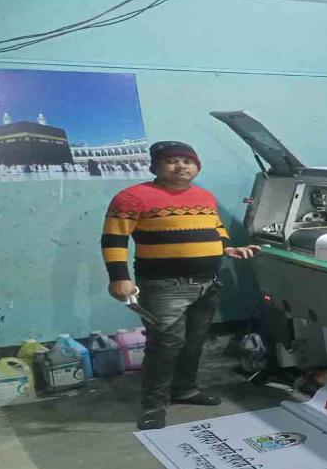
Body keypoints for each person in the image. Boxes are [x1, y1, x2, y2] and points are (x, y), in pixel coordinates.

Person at [100, 141, 260, 429]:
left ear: (197, 166)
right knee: (165, 345)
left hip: (208, 283)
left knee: (194, 341)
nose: (181, 166)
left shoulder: (205, 196)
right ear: (156, 167)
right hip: (164, 285)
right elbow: (114, 238)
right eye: (171, 161)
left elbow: (216, 227)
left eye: (187, 161)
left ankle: (185, 390)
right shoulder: (131, 197)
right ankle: (153, 404)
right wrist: (118, 277)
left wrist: (226, 248)